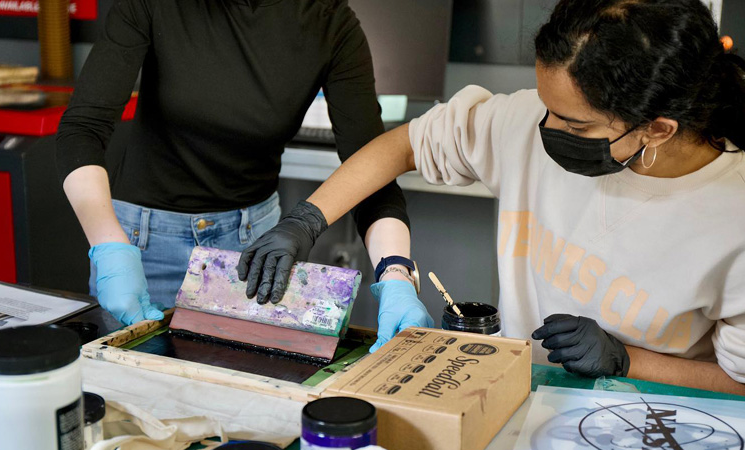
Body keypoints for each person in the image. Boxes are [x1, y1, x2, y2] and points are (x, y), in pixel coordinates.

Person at [238, 0, 745, 394]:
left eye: (574, 123)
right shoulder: (522, 123)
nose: (544, 128)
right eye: (546, 106)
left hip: (651, 420)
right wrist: (305, 219)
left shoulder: (731, 217)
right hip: (520, 400)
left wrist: (628, 360)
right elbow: (403, 145)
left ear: (656, 129)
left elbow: (738, 381)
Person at [55, 0, 433, 335]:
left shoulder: (329, 21)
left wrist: (396, 273)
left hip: (256, 251)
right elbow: (83, 128)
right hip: (142, 245)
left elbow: (371, 165)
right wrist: (108, 245)